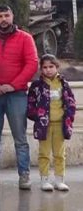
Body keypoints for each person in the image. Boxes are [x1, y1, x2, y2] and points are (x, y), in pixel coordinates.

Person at [28, 55, 75, 192]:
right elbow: (30, 103)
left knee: (60, 153)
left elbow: (71, 101)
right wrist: (37, 116)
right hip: (44, 126)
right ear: (41, 69)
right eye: (45, 67)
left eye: (51, 67)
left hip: (60, 124)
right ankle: (44, 180)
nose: (48, 70)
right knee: (44, 153)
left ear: (57, 67)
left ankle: (60, 180)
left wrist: (69, 116)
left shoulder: (63, 83)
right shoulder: (37, 85)